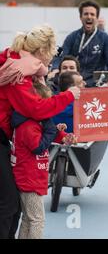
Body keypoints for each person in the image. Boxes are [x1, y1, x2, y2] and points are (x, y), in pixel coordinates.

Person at [0, 25, 80, 239]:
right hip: (15, 155)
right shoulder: (18, 72)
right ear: (42, 50)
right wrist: (67, 96)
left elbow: (40, 118)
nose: (50, 60)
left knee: (16, 208)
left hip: (8, 142)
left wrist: (60, 135)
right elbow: (35, 109)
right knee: (11, 206)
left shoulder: (17, 63)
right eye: (50, 53)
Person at [11, 81, 76, 239]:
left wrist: (62, 136)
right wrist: (50, 130)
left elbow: (48, 134)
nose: (48, 111)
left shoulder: (35, 122)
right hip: (28, 180)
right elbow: (38, 146)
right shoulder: (27, 126)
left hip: (32, 177)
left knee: (28, 219)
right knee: (37, 220)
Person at [50, 0, 108, 87]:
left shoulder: (105, 38)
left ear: (97, 18)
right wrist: (55, 69)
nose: (89, 17)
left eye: (92, 14)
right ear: (80, 17)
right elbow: (61, 56)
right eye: (86, 14)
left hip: (96, 85)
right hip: (74, 83)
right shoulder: (72, 37)